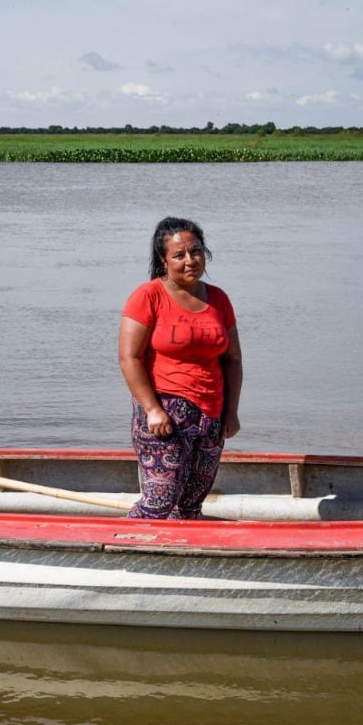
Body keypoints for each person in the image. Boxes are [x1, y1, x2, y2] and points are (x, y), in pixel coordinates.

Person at [118, 217, 242, 519]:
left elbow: (233, 360)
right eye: (179, 255)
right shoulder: (148, 296)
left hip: (211, 414)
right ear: (164, 259)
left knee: (190, 503)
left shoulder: (219, 299)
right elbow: (129, 358)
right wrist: (152, 409)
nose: (190, 260)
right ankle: (129, 546)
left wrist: (231, 412)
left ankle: (182, 559)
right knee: (161, 500)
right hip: (166, 413)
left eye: (196, 252)